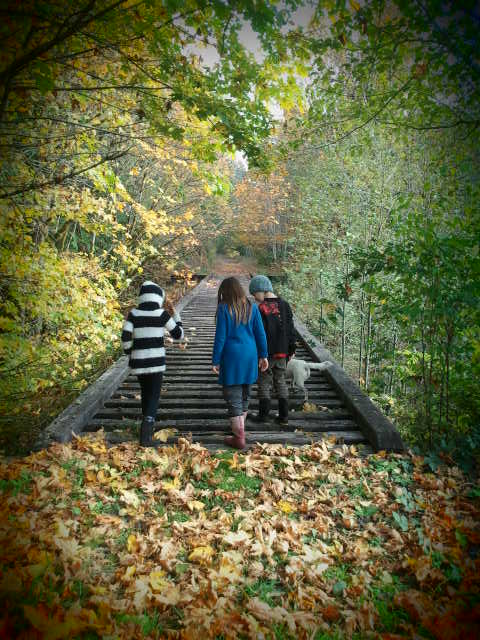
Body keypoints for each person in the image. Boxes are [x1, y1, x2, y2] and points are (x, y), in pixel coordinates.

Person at [121, 280, 184, 447]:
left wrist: (130, 352)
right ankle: (146, 434)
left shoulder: (133, 314)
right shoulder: (161, 314)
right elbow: (178, 335)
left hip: (139, 362)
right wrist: (177, 317)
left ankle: (146, 426)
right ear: (158, 297)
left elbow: (125, 337)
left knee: (145, 392)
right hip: (156, 362)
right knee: (154, 395)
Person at [212, 277, 268, 449]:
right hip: (250, 354)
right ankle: (240, 429)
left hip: (232, 356)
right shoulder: (252, 307)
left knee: (233, 394)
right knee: (245, 392)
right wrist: (263, 355)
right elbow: (260, 333)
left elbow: (220, 337)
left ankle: (239, 437)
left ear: (226, 292)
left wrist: (216, 360)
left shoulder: (224, 308)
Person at [248, 275, 296, 425]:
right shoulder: (285, 305)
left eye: (254, 294)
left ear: (261, 290)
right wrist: (291, 349)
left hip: (267, 353)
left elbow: (258, 332)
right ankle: (284, 416)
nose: (255, 298)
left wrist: (258, 353)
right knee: (280, 380)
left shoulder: (260, 308)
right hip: (282, 352)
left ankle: (263, 415)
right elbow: (290, 329)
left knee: (264, 381)